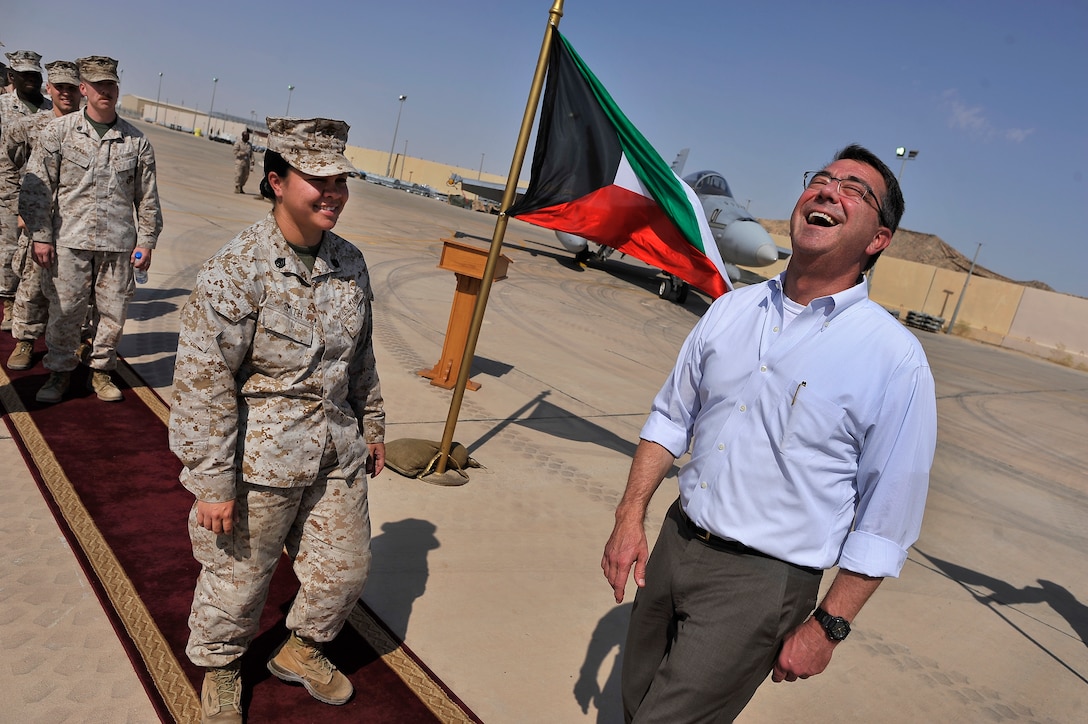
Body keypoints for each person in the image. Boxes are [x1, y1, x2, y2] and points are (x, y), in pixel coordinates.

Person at [602, 144, 937, 723]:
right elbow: (670, 419)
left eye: (855, 191)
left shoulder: (894, 358)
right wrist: (630, 517)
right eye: (823, 180)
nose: (830, 190)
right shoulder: (731, 311)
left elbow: (888, 519)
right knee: (634, 703)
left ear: (878, 239)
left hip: (759, 583)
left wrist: (829, 627)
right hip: (675, 546)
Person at [169, 116, 386, 724]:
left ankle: (300, 650)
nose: (334, 193)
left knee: (343, 573)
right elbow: (203, 381)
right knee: (238, 579)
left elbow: (361, 355)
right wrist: (211, 481)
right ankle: (221, 667)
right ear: (276, 182)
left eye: (341, 179)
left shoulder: (351, 263)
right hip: (260, 461)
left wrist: (373, 424)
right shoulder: (237, 269)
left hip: (334, 449)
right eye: (318, 179)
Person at [21, 55, 162, 403]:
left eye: (110, 85)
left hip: (118, 245)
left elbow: (147, 199)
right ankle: (59, 372)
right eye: (98, 86)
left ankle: (100, 371)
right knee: (65, 311)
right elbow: (38, 189)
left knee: (113, 314)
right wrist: (41, 235)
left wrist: (146, 242)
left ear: (117, 89)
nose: (105, 92)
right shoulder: (59, 132)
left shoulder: (136, 142)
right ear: (84, 89)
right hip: (70, 240)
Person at [2, 60, 82, 370]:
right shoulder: (28, 126)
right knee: (31, 285)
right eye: (59, 87)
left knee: (73, 292)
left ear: (81, 91)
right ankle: (24, 340)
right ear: (49, 88)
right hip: (37, 222)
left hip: (75, 225)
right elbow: (6, 166)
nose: (65, 93)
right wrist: (18, 209)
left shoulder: (87, 130)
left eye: (72, 88)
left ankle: (69, 344)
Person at [0, 50, 51, 332]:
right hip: (7, 192)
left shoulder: (49, 110)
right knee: (7, 251)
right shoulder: (2, 106)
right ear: (12, 76)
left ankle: (29, 306)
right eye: (26, 74)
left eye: (36, 74)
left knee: (31, 254)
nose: (32, 79)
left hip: (38, 196)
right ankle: (8, 302)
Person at [232, 128, 253, 193]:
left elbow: (251, 153)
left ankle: (241, 187)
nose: (248, 138)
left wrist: (252, 161)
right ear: (243, 137)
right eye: (247, 137)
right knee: (238, 175)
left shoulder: (249, 144)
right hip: (240, 162)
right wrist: (243, 153)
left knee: (245, 176)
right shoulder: (238, 143)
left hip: (246, 163)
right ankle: (237, 187)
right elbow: (235, 152)